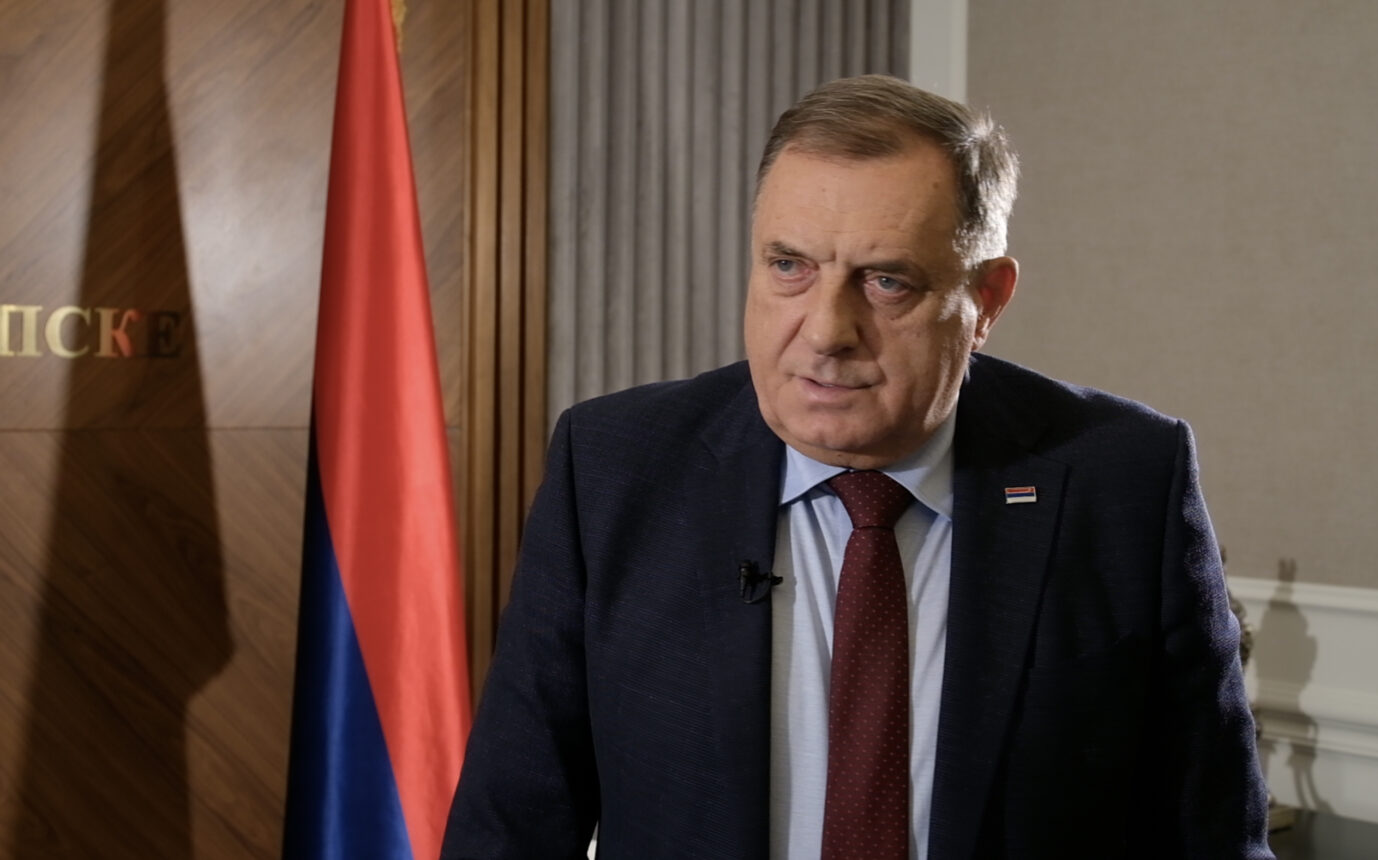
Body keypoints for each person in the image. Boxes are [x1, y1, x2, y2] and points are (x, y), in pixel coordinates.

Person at [442, 75, 1273, 859]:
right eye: (790, 266)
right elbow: (510, 829)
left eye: (886, 282)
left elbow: (1210, 838)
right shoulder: (615, 467)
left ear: (986, 300)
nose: (825, 331)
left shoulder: (1124, 481)